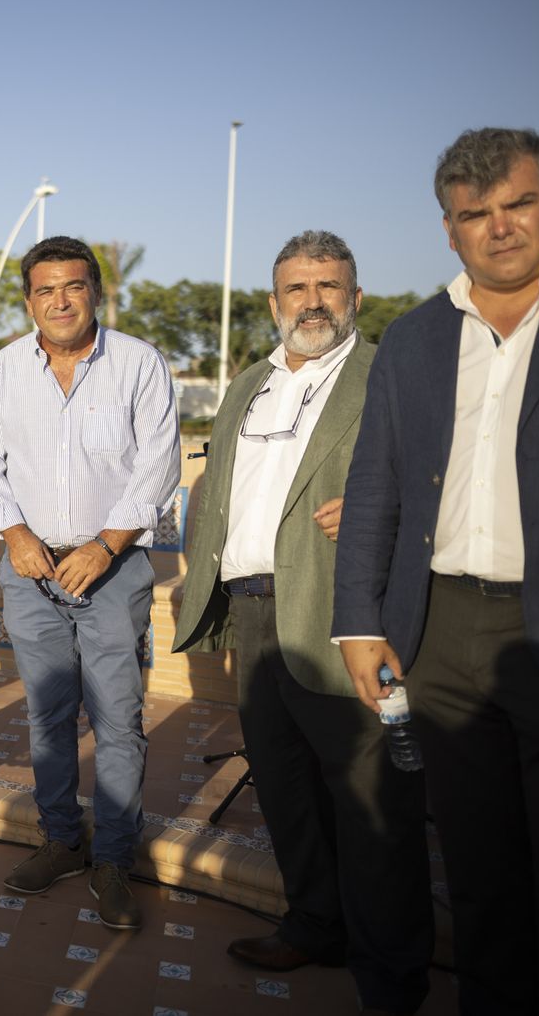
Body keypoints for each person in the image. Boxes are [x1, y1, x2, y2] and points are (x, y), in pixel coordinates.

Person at [334, 127, 539, 1014]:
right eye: (474, 215)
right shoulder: (415, 337)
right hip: (442, 636)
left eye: (519, 204)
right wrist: (358, 619)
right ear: (449, 230)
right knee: (480, 873)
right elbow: (374, 488)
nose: (499, 228)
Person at [175, 231, 431, 1014]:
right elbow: (217, 486)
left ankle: (390, 977)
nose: (312, 300)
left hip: (344, 614)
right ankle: (315, 921)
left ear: (354, 296)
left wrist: (379, 511)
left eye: (329, 286)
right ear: (273, 300)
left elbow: (440, 476)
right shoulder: (249, 382)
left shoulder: (389, 372)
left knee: (371, 798)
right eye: (297, 287)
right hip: (255, 611)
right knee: (284, 786)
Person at [0, 235, 179, 929]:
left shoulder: (139, 365)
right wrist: (18, 535)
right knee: (48, 715)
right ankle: (61, 838)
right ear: (29, 300)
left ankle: (113, 856)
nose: (60, 300)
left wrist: (107, 544)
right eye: (46, 289)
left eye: (74, 286)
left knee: (119, 717)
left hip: (112, 570)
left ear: (96, 292)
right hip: (30, 571)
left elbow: (159, 466)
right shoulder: (4, 371)